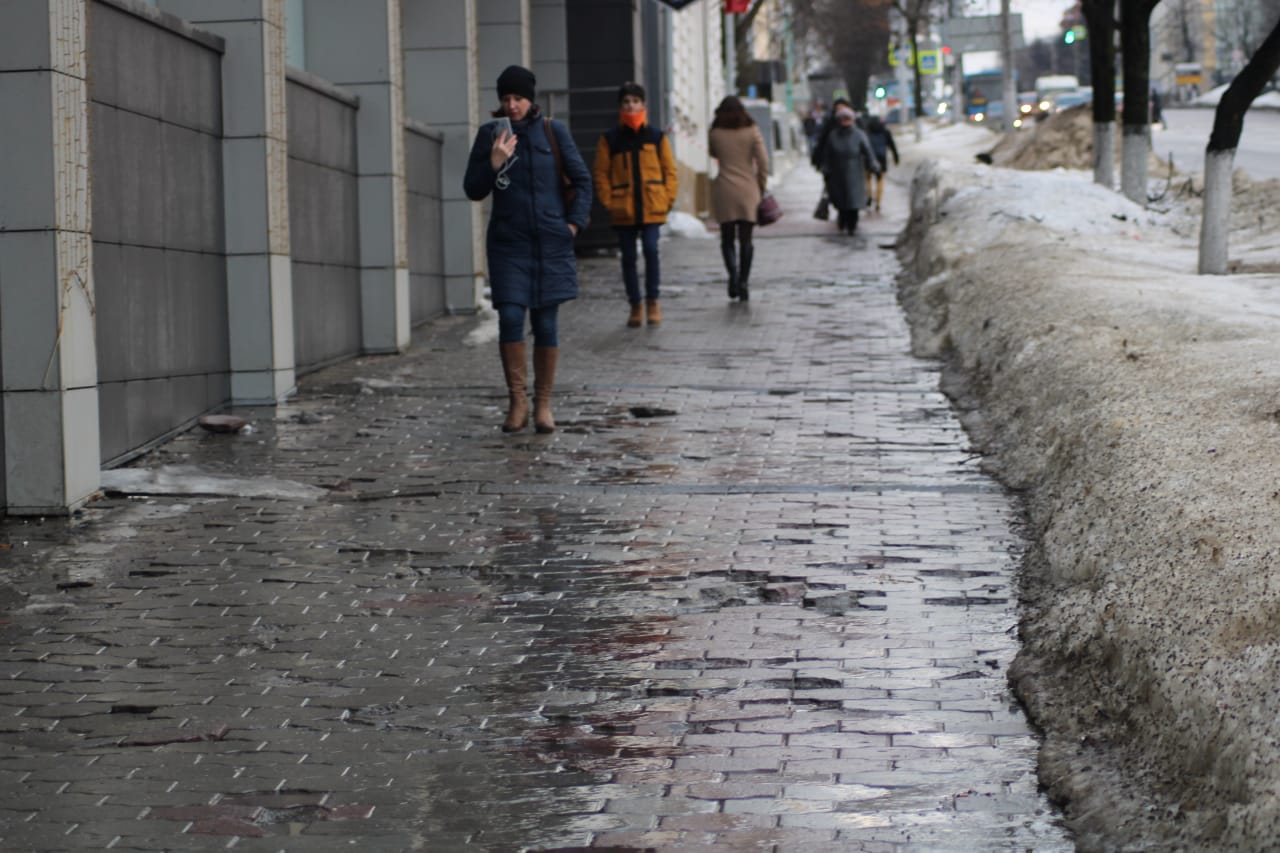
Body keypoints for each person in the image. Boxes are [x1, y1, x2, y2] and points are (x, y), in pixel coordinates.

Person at [463, 65, 592, 434]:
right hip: (509, 244)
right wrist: (494, 162)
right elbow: (472, 189)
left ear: (530, 99)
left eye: (518, 98)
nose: (512, 105)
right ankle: (518, 401)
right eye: (506, 98)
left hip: (551, 242)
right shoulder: (491, 134)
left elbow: (582, 180)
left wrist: (572, 225)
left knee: (546, 322)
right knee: (509, 317)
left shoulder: (553, 131)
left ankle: (544, 404)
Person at [592, 82, 678, 328]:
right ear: (620, 106)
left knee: (651, 250)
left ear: (643, 105)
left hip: (652, 206)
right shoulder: (611, 139)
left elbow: (670, 171)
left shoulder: (656, 137)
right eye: (626, 102)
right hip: (623, 209)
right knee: (628, 258)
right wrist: (609, 201)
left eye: (635, 101)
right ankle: (635, 305)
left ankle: (653, 301)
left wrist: (667, 199)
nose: (631, 106)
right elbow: (600, 174)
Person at [708, 96, 769, 302]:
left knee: (726, 238)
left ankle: (732, 275)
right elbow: (763, 162)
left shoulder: (715, 133)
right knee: (746, 239)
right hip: (748, 189)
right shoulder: (752, 131)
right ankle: (743, 281)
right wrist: (760, 186)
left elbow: (713, 153)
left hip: (724, 188)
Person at [821, 105, 879, 235]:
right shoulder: (833, 136)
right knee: (841, 201)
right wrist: (826, 168)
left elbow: (868, 151)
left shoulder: (859, 135)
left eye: (847, 119)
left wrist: (874, 165)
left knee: (854, 201)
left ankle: (852, 224)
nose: (844, 122)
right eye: (842, 119)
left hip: (855, 173)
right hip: (838, 173)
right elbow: (827, 155)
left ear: (852, 120)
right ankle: (842, 221)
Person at [863, 115, 899, 212]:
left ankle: (870, 195)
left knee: (868, 179)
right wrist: (896, 157)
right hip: (881, 159)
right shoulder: (885, 132)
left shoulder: (867, 132)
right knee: (880, 180)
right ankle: (878, 202)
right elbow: (892, 145)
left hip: (868, 159)